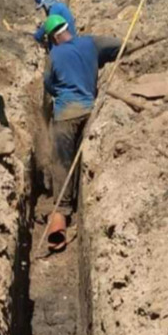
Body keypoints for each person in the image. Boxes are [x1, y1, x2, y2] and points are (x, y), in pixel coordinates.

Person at [42, 14, 121, 251]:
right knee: (78, 157)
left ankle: (63, 209)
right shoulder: (90, 43)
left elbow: (48, 84)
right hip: (90, 110)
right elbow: (118, 45)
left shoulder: (54, 54)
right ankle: (71, 203)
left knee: (62, 162)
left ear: (54, 37)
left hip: (66, 113)